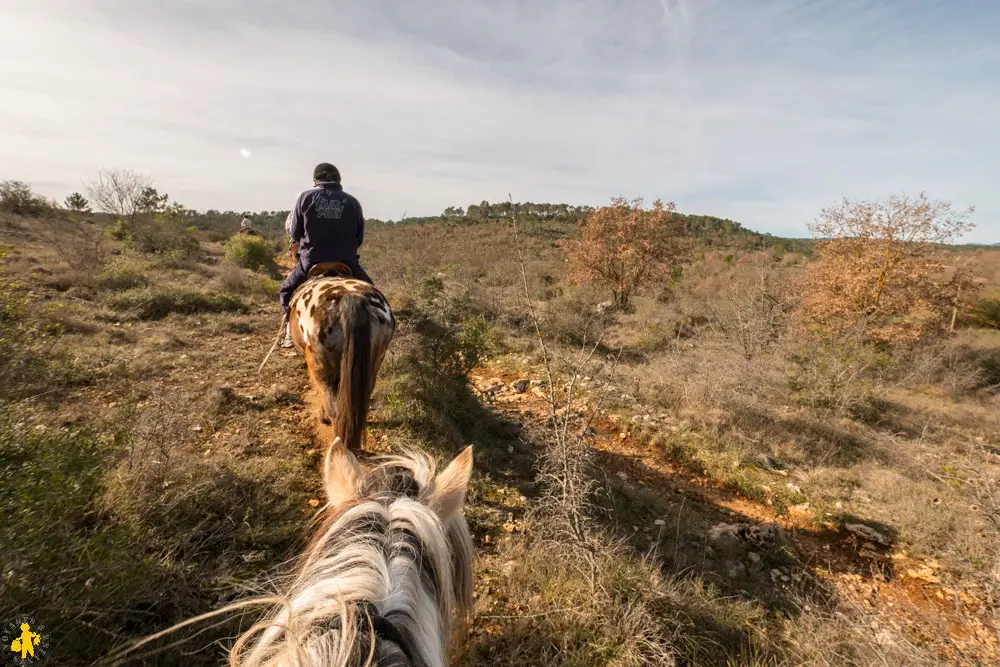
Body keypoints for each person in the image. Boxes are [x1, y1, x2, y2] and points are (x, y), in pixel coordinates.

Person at [278, 162, 373, 347]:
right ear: (339, 180)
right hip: (347, 261)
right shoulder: (353, 201)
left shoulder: (305, 197)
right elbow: (359, 237)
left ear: (315, 180)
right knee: (371, 290)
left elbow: (295, 233)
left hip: (312, 261)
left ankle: (289, 332)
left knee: (287, 290)